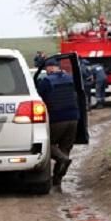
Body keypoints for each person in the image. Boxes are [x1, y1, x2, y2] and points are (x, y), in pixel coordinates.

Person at [37, 58, 79, 187]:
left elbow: (39, 98)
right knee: (65, 148)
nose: (46, 71)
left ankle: (62, 160)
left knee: (47, 144)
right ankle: (57, 179)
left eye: (46, 68)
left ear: (50, 68)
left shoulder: (46, 81)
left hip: (56, 118)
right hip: (73, 118)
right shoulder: (70, 78)